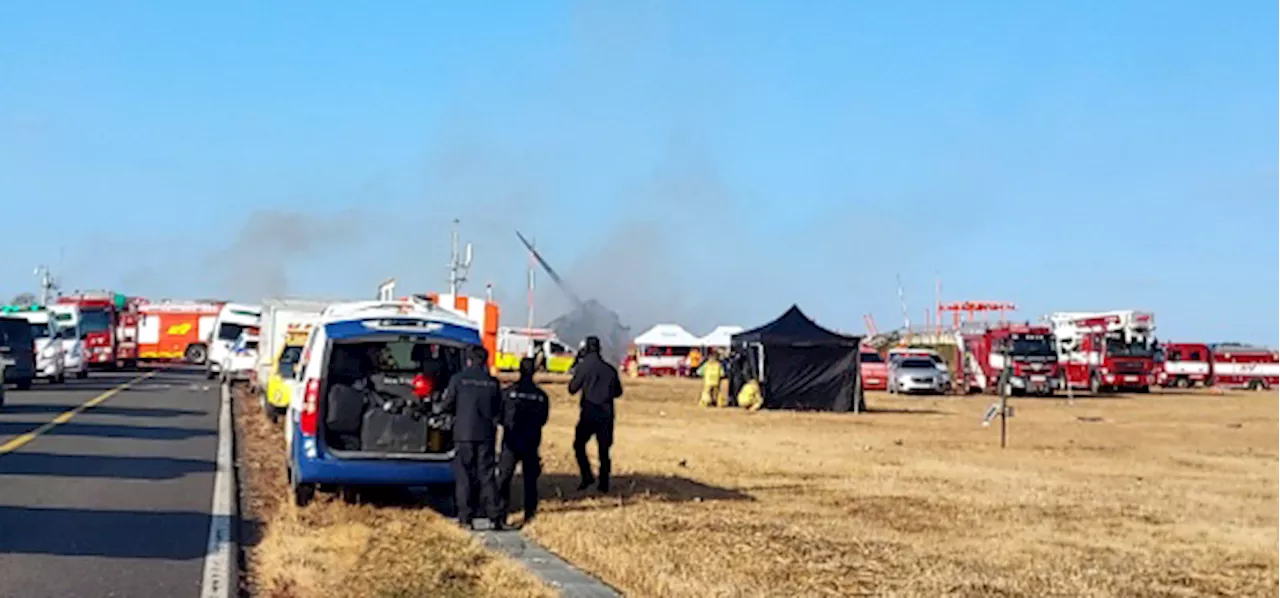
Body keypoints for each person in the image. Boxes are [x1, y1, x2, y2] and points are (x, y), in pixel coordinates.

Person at [438, 345, 505, 530]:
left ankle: (466, 518)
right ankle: (495, 516)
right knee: (487, 475)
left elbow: (446, 404)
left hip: (464, 434)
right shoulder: (492, 382)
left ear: (468, 360)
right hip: (486, 435)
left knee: (464, 475)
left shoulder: (458, 380)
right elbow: (499, 409)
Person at [496, 357, 550, 525]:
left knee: (504, 478)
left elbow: (499, 416)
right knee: (530, 480)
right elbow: (543, 419)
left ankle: (501, 514)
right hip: (531, 442)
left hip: (511, 441)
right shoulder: (541, 396)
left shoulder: (507, 392)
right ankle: (530, 514)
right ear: (534, 371)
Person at [567, 336, 623, 493]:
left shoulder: (584, 367)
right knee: (604, 450)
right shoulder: (610, 369)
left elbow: (572, 388)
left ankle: (587, 475)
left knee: (579, 445)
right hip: (606, 414)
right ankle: (604, 483)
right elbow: (618, 392)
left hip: (589, 413)